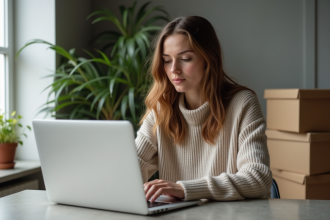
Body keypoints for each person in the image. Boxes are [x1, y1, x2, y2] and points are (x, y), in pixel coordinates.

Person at [135, 16, 272, 203]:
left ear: (208, 59)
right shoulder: (162, 108)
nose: (174, 69)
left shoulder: (243, 104)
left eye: (185, 58)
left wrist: (184, 188)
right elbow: (133, 167)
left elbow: (258, 178)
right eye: (167, 60)